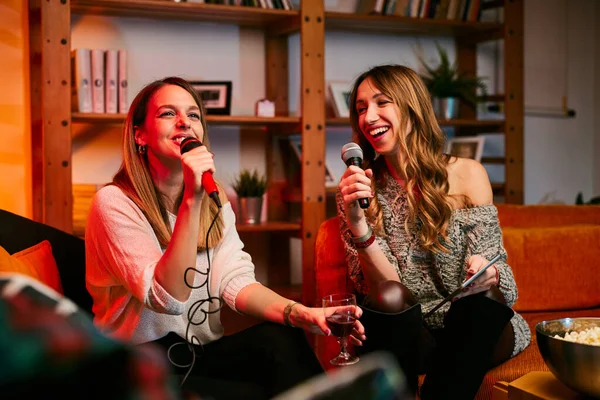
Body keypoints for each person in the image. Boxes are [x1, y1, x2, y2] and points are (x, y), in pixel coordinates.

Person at [85, 76, 365, 400]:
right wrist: (193, 197)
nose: (184, 123)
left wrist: (299, 312)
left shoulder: (214, 203)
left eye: (193, 115)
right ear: (139, 135)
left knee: (280, 338)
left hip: (199, 354)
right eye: (167, 114)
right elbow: (167, 297)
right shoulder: (114, 203)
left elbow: (235, 281)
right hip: (138, 367)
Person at [336, 65, 530, 399]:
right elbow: (384, 293)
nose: (369, 117)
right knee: (387, 300)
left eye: (382, 103)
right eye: (361, 108)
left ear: (412, 106)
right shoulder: (358, 190)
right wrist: (358, 225)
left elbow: (504, 285)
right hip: (414, 334)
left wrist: (489, 271)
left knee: (481, 300)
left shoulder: (468, 174)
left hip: (474, 327)